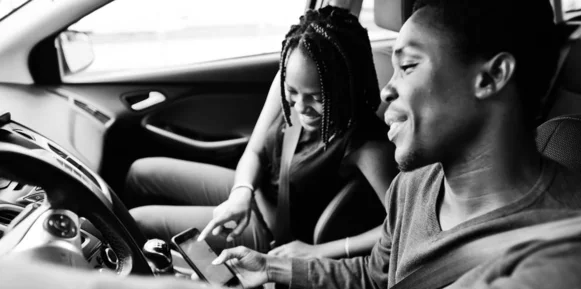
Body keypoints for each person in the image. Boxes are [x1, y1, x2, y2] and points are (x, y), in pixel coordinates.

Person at [1, 0, 581, 289]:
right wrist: (277, 264)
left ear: (491, 77)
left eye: (409, 64)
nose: (387, 86)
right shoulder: (420, 186)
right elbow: (380, 273)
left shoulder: (577, 253)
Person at [124, 6, 397, 259]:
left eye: (316, 97)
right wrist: (240, 194)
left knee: (137, 222)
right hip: (253, 195)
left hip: (272, 232)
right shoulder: (286, 80)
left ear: (344, 88)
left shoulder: (366, 144)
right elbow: (254, 151)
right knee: (140, 172)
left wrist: (318, 252)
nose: (301, 106)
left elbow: (401, 226)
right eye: (292, 92)